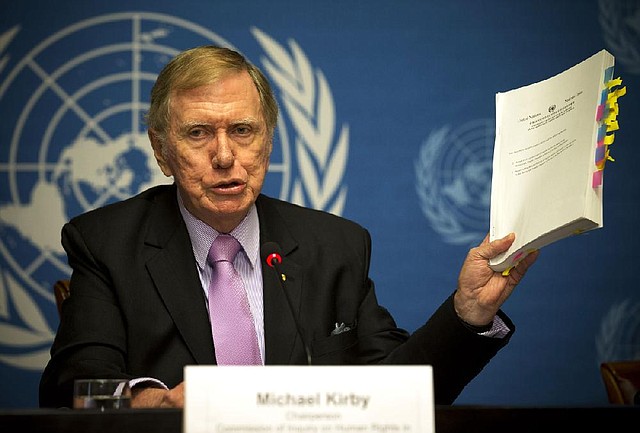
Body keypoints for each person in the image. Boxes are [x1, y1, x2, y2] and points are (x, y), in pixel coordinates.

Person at [39, 45, 538, 409]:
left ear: (268, 143)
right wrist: (154, 405)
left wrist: (467, 314)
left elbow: (398, 393)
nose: (224, 155)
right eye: (198, 134)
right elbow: (73, 386)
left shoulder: (334, 246)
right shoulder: (107, 243)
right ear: (161, 151)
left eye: (242, 130)